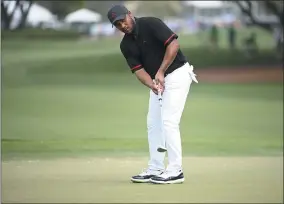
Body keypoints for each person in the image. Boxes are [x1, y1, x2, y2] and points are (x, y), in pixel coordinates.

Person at [107, 5, 198, 184]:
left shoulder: (151, 24)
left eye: (123, 20)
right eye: (117, 24)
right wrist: (153, 85)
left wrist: (161, 72)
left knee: (169, 121)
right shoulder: (125, 45)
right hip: (159, 80)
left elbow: (174, 45)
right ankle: (156, 167)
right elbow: (139, 70)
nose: (122, 25)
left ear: (130, 15)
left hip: (178, 73)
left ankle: (175, 170)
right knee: (153, 123)